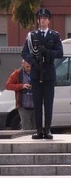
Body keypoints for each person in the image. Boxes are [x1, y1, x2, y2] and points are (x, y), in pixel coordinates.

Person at [21, 8, 63, 139]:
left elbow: (59, 53)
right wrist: (32, 61)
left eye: (45, 18)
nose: (42, 20)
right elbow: (24, 52)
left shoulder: (54, 35)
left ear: (49, 20)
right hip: (36, 73)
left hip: (48, 73)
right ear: (38, 20)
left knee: (48, 103)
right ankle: (39, 130)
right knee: (37, 103)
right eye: (40, 18)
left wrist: (47, 53)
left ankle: (48, 130)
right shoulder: (32, 36)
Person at [5, 60, 35, 130]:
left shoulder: (36, 72)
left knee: (36, 127)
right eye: (27, 67)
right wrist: (22, 86)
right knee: (26, 126)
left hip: (35, 104)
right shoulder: (17, 74)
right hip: (23, 105)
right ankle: (25, 140)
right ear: (23, 65)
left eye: (31, 67)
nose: (29, 69)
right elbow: (7, 86)